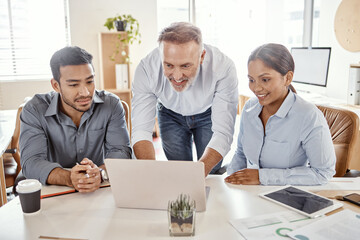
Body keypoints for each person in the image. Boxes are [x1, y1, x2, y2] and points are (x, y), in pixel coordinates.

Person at [131, 22, 238, 176]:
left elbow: (223, 133)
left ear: (201, 56)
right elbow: (141, 130)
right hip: (169, 113)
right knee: (179, 171)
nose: (177, 76)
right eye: (168, 65)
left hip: (208, 113)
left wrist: (195, 177)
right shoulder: (147, 69)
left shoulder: (223, 68)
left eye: (185, 66)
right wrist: (150, 175)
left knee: (210, 171)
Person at [19, 46, 131, 192]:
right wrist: (68, 177)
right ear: (56, 85)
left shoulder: (111, 105)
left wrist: (101, 173)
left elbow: (121, 152)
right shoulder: (34, 110)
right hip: (54, 193)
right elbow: (31, 162)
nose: (85, 92)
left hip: (100, 189)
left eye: (89, 82)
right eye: (73, 85)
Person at [226, 43, 336, 185]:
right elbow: (241, 154)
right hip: (251, 195)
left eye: (265, 79)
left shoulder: (308, 116)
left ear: (288, 78)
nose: (256, 88)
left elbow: (323, 173)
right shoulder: (249, 108)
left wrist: (263, 177)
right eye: (251, 80)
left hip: (289, 197)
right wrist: (229, 181)